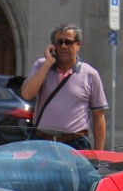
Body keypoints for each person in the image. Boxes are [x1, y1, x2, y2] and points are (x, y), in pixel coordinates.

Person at [21, 23, 107, 151]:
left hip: (76, 144)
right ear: (53, 46)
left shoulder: (90, 74)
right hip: (43, 142)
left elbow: (98, 117)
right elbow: (27, 94)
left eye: (68, 42)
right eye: (59, 42)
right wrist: (48, 63)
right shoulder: (41, 66)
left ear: (78, 45)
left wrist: (99, 154)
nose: (63, 46)